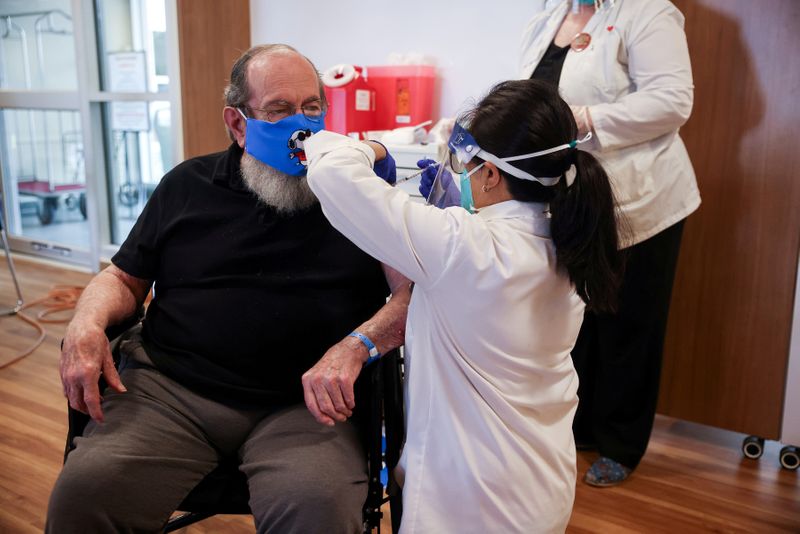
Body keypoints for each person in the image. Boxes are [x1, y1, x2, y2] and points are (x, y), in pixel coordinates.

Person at [47, 44, 410, 534]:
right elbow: (123, 277)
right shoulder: (187, 186)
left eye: (311, 108)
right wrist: (86, 322)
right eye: (278, 110)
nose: (300, 124)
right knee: (85, 492)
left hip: (305, 406)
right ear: (238, 124)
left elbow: (412, 296)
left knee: (318, 508)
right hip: (171, 393)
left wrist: (356, 346)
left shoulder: (358, 195)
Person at [303, 79, 625, 533]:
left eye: (467, 164)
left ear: (491, 174)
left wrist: (369, 146)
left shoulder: (462, 246)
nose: (462, 174)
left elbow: (333, 177)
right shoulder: (569, 242)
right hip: (541, 485)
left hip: (469, 502)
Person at [514, 0, 701, 486]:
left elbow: (672, 101)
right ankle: (581, 430)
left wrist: (585, 120)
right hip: (576, 197)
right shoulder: (549, 13)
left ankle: (621, 443)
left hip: (642, 195)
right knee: (578, 319)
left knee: (629, 323)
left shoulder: (648, 12)